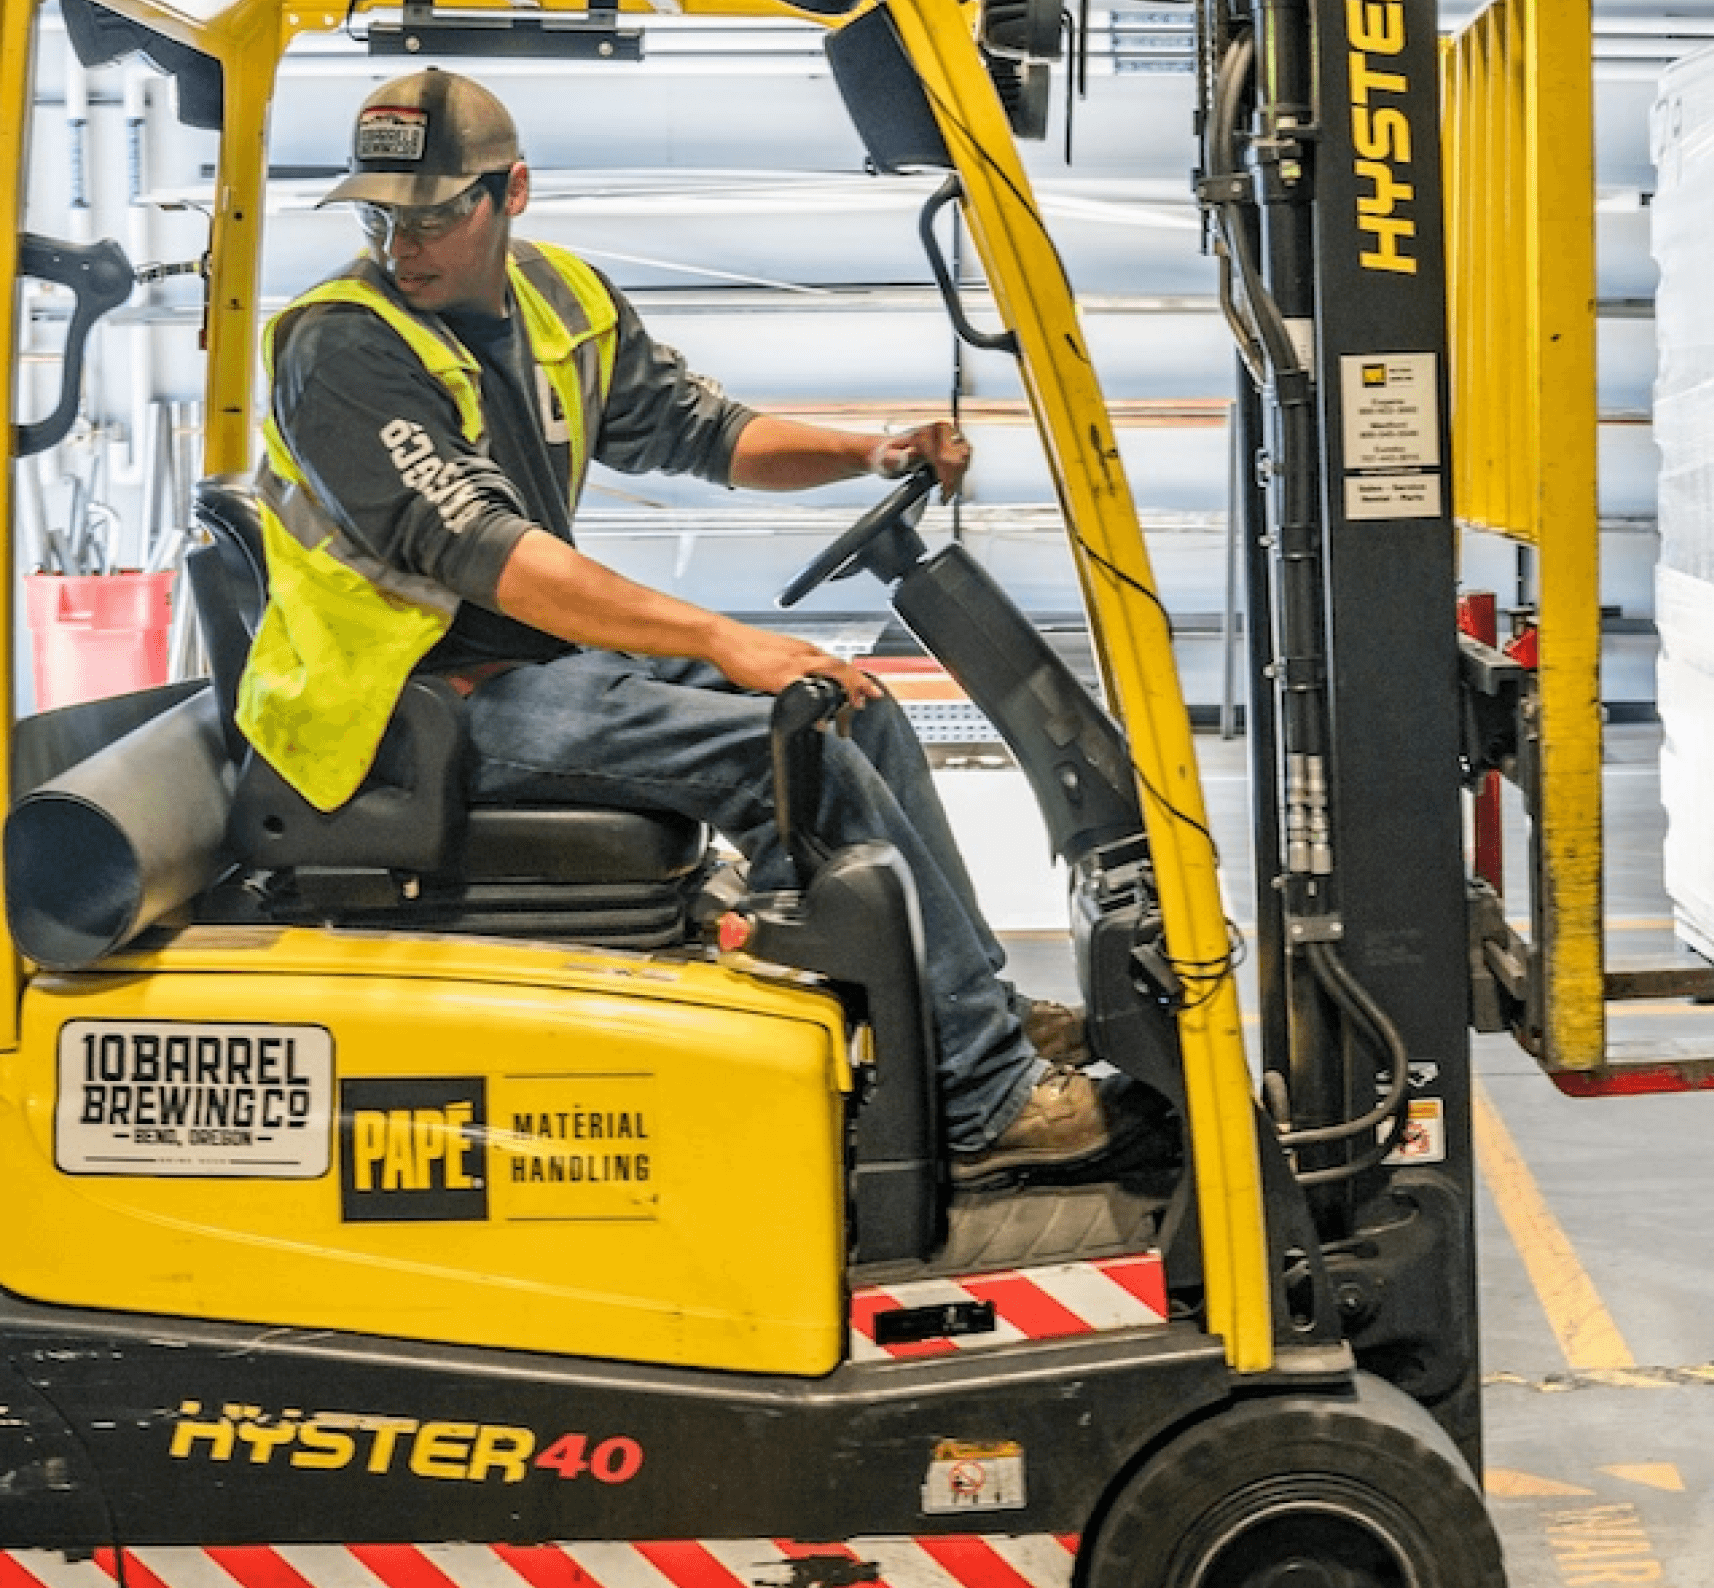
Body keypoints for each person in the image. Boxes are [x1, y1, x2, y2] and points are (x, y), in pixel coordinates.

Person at [246, 69, 1133, 1181]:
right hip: (405, 708)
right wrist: (720, 639)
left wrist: (867, 451)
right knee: (784, 755)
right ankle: (983, 1096)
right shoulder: (341, 347)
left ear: (510, 192)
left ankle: (974, 1015)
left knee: (856, 713)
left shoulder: (559, 297)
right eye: (381, 214)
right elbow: (490, 555)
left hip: (521, 666)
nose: (401, 242)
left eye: (431, 213)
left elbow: (702, 431)